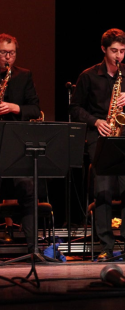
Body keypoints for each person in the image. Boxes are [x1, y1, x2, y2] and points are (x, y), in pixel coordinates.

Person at [69, 28, 125, 261]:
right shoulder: (89, 75)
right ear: (103, 49)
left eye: (122, 51)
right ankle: (106, 246)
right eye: (114, 51)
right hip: (100, 136)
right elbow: (75, 108)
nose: (118, 56)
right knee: (102, 191)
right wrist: (96, 120)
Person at [0, 33, 41, 252]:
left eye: (12, 53)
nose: (8, 57)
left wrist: (15, 107)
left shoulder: (24, 76)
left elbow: (35, 108)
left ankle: (33, 248)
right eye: (4, 53)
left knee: (28, 188)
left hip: (15, 144)